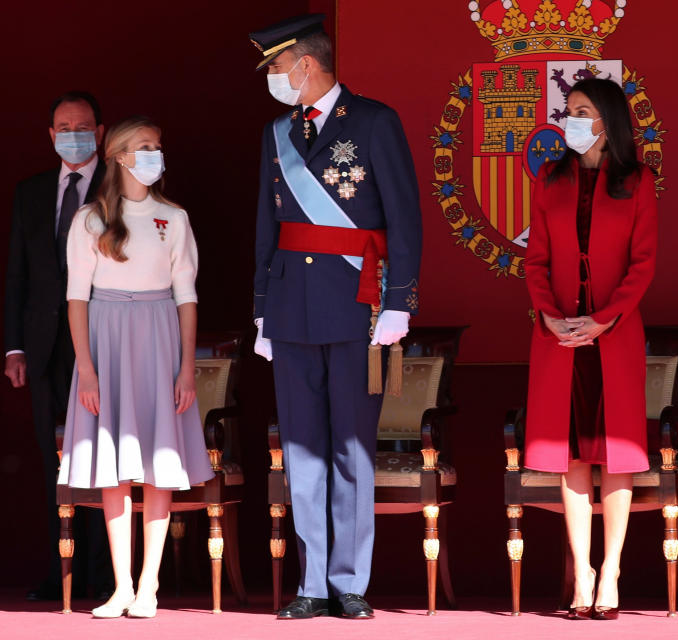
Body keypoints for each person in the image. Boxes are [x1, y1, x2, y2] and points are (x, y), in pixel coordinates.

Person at [249, 14, 421, 620]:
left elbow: (404, 218)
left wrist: (399, 302)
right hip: (293, 309)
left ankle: (349, 580)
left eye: (275, 68)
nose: (272, 79)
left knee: (350, 447)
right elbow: (268, 231)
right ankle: (311, 583)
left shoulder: (374, 122)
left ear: (305, 65)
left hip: (359, 307)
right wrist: (261, 314)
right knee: (301, 448)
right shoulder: (277, 134)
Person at [57, 115, 213, 618]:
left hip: (158, 335)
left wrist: (187, 367)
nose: (155, 154)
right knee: (114, 469)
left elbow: (186, 296)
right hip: (106, 337)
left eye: (158, 146)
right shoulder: (89, 220)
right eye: (145, 146)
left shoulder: (175, 217)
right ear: (120, 155)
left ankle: (149, 586)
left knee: (157, 467)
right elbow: (76, 298)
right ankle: (121, 585)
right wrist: (86, 368)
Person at [524, 78, 657, 621]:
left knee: (616, 457)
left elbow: (642, 265)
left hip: (613, 335)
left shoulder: (638, 181)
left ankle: (612, 571)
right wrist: (551, 317)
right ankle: (581, 571)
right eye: (569, 112)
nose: (571, 121)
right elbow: (534, 261)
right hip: (559, 339)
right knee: (570, 457)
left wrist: (602, 321)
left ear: (608, 121)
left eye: (582, 112)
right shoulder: (550, 178)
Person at [4, 91, 112, 602]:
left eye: (83, 125)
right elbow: (17, 277)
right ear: (50, 134)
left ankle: (107, 573)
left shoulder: (122, 187)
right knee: (57, 461)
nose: (73, 133)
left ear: (101, 131)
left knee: (106, 456)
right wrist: (14, 348)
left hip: (105, 343)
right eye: (64, 126)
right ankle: (62, 571)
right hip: (45, 346)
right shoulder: (31, 192)